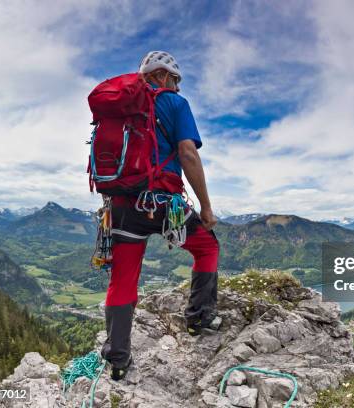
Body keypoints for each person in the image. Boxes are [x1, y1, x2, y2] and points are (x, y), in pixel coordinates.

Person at [100, 51, 220, 381]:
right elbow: (187, 153)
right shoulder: (174, 104)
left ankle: (118, 358)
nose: (178, 88)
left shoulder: (120, 110)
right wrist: (205, 206)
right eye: (176, 81)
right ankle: (199, 318)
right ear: (164, 77)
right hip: (163, 203)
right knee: (207, 247)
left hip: (122, 206)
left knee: (123, 279)